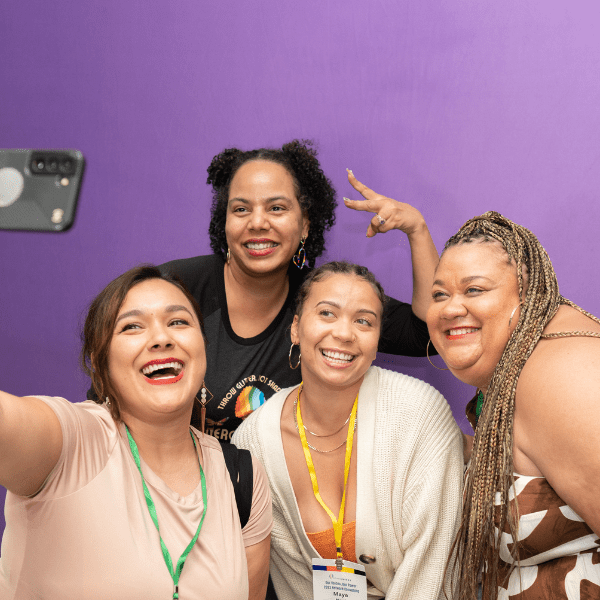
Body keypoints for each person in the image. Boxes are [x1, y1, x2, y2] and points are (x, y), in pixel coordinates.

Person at [0, 266, 272, 600]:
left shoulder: (242, 478)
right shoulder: (73, 441)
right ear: (101, 363)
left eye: (178, 322)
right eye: (132, 326)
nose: (161, 338)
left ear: (203, 347)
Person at [159, 140, 440, 441]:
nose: (257, 222)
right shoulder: (174, 288)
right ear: (224, 222)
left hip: (275, 484)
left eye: (276, 208)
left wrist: (417, 230)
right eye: (241, 209)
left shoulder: (321, 299)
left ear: (305, 223)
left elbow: (427, 335)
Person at [233, 261, 463, 600]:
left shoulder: (420, 413)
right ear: (296, 329)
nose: (344, 333)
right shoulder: (253, 442)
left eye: (363, 321)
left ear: (377, 340)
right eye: (327, 313)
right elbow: (288, 582)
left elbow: (434, 566)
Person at [426, 212, 600, 600]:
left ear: (525, 291)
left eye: (474, 290)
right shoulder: (511, 368)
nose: (451, 308)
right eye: (440, 294)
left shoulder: (561, 376)